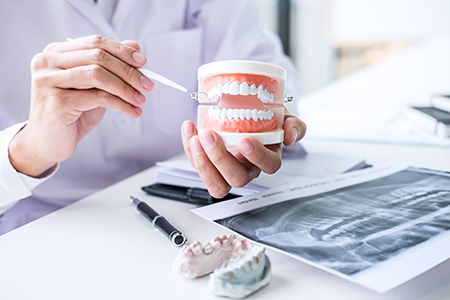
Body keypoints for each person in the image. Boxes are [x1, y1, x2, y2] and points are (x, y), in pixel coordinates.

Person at [0, 0, 306, 235]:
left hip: (187, 212)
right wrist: (27, 152)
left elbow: (259, 61)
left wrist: (265, 123)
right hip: (42, 229)